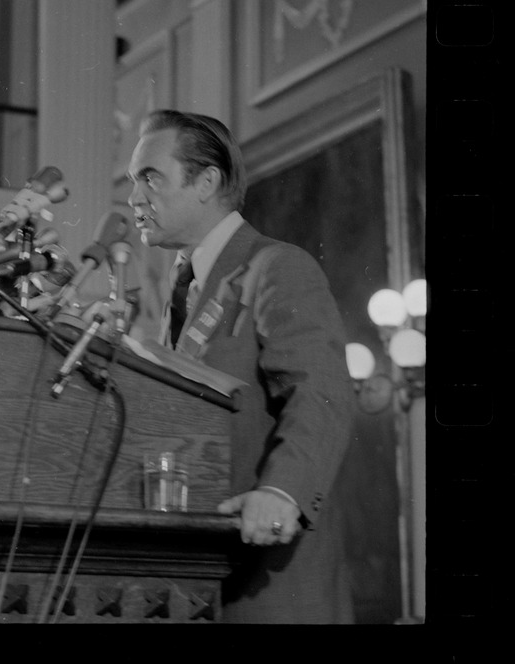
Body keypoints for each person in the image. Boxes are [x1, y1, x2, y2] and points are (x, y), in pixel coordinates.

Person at [127, 109, 355, 624]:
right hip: (202, 586)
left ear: (206, 181)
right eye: (132, 182)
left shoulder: (276, 267)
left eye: (150, 178)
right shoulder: (181, 297)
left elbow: (320, 390)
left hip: (273, 590)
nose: (134, 198)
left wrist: (281, 492)